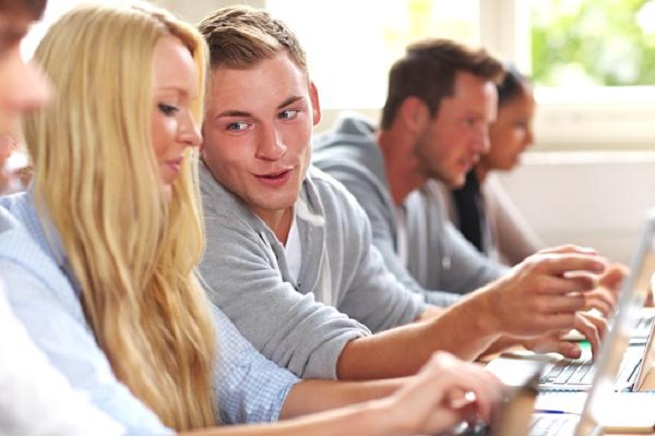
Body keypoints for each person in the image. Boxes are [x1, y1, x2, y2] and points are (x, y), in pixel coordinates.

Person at [0, 2, 505, 435]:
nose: (193, 136)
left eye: (189, 109)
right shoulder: (16, 256)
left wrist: (438, 397)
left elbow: (259, 389)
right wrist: (390, 413)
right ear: (98, 113)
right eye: (169, 108)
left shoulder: (148, 251)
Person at [197, 5, 615, 383]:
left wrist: (516, 327)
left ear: (315, 103)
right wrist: (491, 316)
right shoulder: (202, 224)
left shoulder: (333, 204)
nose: (274, 148)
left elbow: (401, 316)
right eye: (238, 125)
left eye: (289, 113)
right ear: (195, 130)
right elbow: (336, 357)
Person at [442, 65, 543, 266]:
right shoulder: (438, 191)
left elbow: (530, 256)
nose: (530, 140)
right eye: (519, 125)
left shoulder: (484, 184)